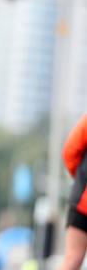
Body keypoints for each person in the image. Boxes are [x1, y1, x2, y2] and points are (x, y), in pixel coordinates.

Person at [59, 114, 87, 270]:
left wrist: (80, 179)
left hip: (81, 200)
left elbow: (70, 151)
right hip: (83, 202)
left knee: (72, 259)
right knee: (73, 259)